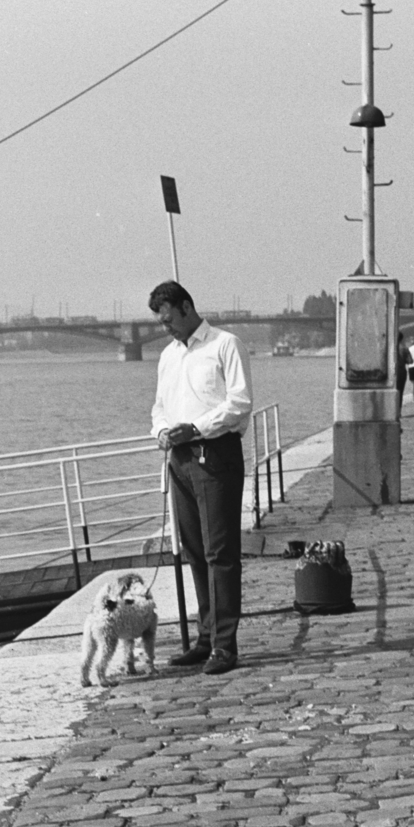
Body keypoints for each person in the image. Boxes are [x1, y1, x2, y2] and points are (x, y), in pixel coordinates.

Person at [148, 280, 251, 677]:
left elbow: (239, 403)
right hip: (180, 459)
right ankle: (205, 637)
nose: (166, 328)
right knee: (194, 548)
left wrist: (196, 427)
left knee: (220, 552)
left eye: (170, 320)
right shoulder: (167, 356)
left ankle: (225, 646)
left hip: (215, 455)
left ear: (187, 307)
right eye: (161, 323)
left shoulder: (226, 345)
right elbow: (159, 406)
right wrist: (162, 431)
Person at [395, 331, 409, 407]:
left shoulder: (389, 347)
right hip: (401, 371)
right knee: (400, 392)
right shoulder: (404, 348)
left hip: (392, 371)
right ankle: (398, 411)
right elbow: (410, 361)